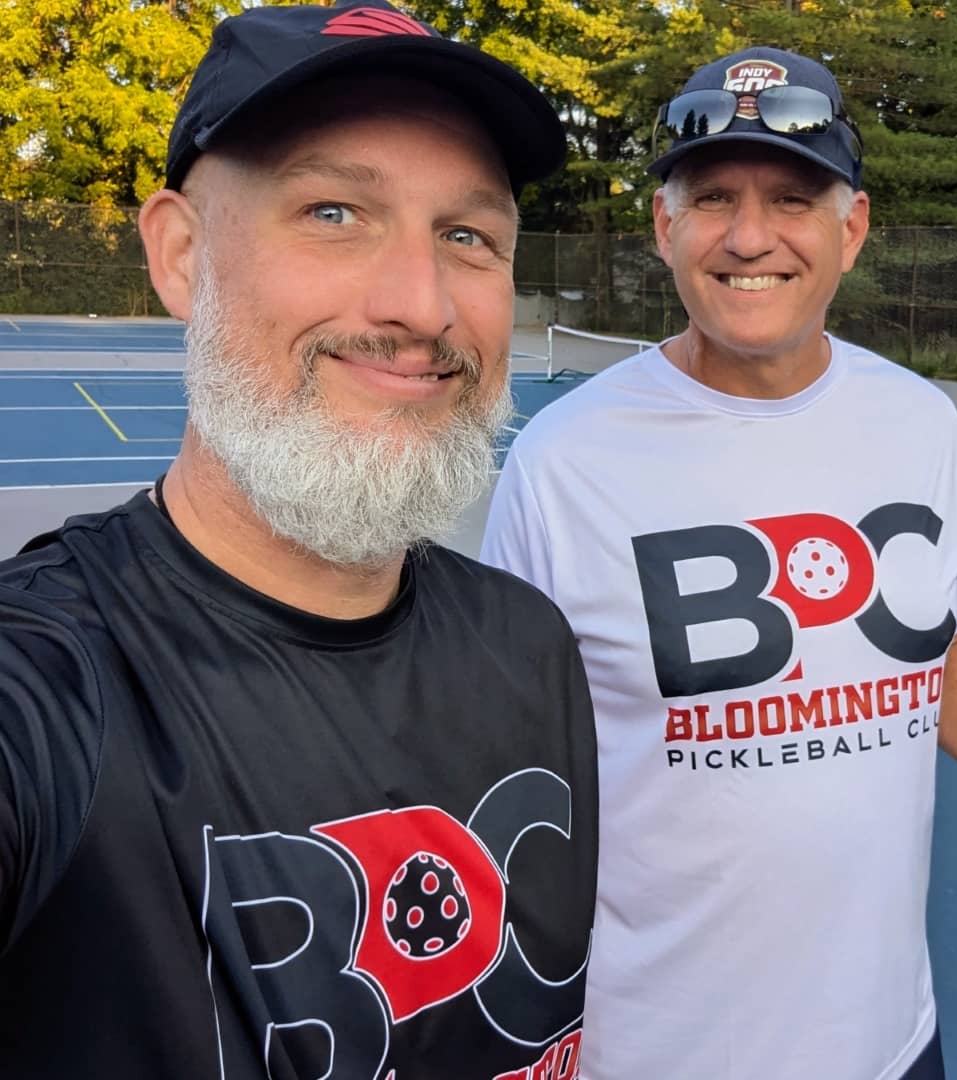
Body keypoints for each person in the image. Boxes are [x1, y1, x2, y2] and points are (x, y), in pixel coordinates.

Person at [480, 46, 957, 1080]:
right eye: (712, 199)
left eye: (794, 198)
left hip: (891, 1042)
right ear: (665, 226)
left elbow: (929, 636)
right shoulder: (563, 465)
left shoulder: (916, 423)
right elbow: (506, 766)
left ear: (853, 228)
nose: (751, 237)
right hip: (656, 1054)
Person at [0, 3, 597, 1076]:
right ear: (181, 254)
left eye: (467, 237)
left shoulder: (530, 643)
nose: (422, 306)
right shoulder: (47, 683)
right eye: (333, 211)